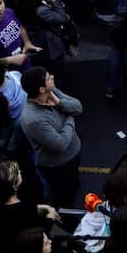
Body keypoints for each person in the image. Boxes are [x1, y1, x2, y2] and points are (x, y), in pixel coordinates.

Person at [19, 66, 82, 208]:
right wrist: (69, 118)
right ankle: (66, 225)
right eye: (48, 78)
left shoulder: (51, 92)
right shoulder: (33, 119)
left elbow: (78, 107)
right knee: (64, 199)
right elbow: (60, 144)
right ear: (41, 89)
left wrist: (60, 103)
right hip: (59, 167)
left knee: (74, 186)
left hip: (72, 157)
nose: (52, 77)